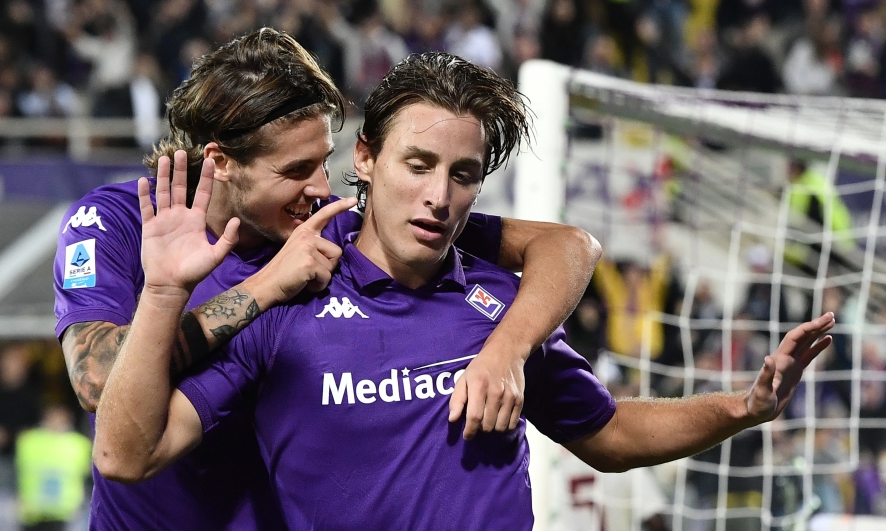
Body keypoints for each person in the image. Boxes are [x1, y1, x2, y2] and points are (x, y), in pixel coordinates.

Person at [93, 51, 836, 529]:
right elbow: (129, 456)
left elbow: (607, 434)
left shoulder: (503, 300)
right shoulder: (289, 294)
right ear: (367, 157)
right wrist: (161, 294)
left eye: (463, 174)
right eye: (417, 164)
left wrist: (745, 406)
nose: (439, 197)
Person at [54, 29, 603, 530]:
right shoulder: (121, 225)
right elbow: (97, 382)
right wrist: (261, 289)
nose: (320, 186)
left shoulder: (336, 225)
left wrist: (506, 347)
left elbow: (563, 245)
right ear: (221, 162)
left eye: (322, 159)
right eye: (295, 171)